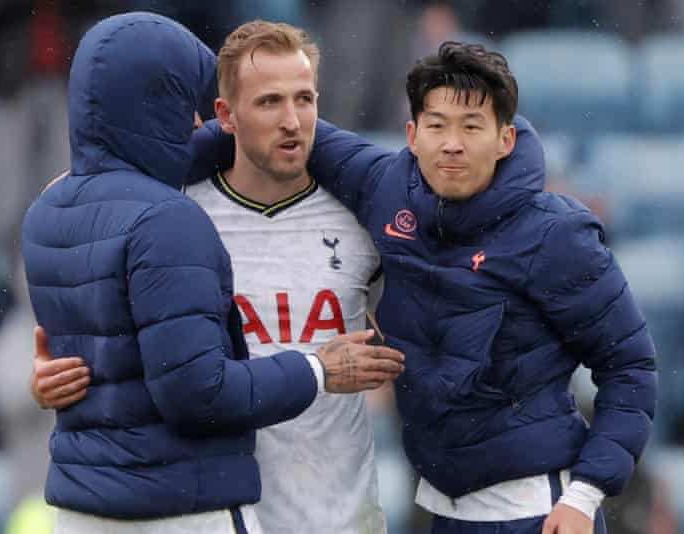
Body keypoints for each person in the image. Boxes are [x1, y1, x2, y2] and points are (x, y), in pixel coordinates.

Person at [193, 41, 655, 534]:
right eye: (437, 125)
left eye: (472, 126)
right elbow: (279, 129)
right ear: (412, 134)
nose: (451, 143)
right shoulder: (386, 188)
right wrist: (185, 152)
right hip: (442, 513)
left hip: (539, 514)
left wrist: (585, 497)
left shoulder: (556, 235)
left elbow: (630, 365)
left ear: (506, 140)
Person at [21, 12, 404, 534]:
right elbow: (141, 358)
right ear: (224, 113)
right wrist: (58, 378)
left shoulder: (362, 215)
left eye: (305, 98)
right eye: (269, 101)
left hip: (336, 515)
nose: (291, 119)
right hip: (215, 508)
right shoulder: (173, 211)